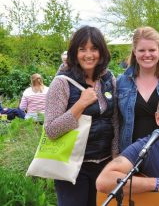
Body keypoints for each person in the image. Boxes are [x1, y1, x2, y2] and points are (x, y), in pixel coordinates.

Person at [44, 26, 119, 206]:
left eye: (94, 49)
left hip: (104, 165)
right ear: (74, 52)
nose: (89, 54)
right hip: (73, 167)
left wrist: (116, 159)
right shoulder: (62, 83)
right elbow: (51, 130)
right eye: (82, 49)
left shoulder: (109, 79)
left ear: (101, 52)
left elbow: (115, 121)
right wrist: (80, 105)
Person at [117, 26, 159, 151]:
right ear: (134, 51)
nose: (147, 55)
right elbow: (116, 122)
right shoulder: (122, 82)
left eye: (152, 50)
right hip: (132, 154)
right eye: (142, 50)